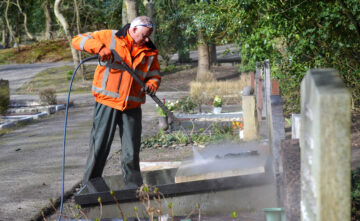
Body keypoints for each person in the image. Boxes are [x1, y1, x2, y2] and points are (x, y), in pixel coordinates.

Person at [72, 16, 161, 188]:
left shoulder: (150, 51)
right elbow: (78, 40)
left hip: (132, 106)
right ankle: (90, 189)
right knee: (99, 147)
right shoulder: (110, 37)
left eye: (149, 35)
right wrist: (98, 48)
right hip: (108, 102)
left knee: (131, 152)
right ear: (134, 30)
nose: (147, 39)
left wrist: (152, 83)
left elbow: (155, 73)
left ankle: (134, 190)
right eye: (144, 35)